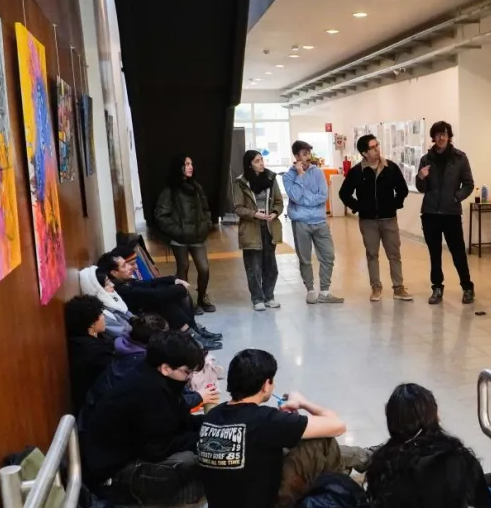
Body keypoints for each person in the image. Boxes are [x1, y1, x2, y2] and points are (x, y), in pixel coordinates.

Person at [197, 349, 351, 508]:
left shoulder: (212, 416)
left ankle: (363, 457)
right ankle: (340, 496)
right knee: (320, 441)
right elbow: (337, 425)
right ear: (265, 385)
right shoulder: (266, 420)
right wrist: (302, 402)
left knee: (290, 439)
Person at [78, 331, 221, 506]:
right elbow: (155, 449)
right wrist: (199, 439)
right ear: (166, 368)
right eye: (186, 371)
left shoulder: (151, 373)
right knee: (190, 460)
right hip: (112, 469)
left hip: (125, 448)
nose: (190, 377)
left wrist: (210, 425)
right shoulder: (150, 391)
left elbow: (176, 417)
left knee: (202, 443)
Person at [97, 249, 222, 351]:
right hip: (137, 319)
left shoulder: (123, 281)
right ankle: (192, 337)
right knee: (164, 302)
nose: (130, 267)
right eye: (124, 265)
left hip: (141, 307)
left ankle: (194, 330)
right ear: (114, 272)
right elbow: (151, 294)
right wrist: (178, 289)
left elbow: (148, 284)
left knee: (170, 291)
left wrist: (173, 280)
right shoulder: (121, 288)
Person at [339, 134, 412, 302]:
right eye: (372, 147)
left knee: (394, 254)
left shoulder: (391, 168)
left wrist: (395, 204)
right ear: (364, 153)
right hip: (368, 221)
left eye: (377, 145)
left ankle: (398, 287)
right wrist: (358, 207)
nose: (377, 149)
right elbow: (344, 193)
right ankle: (376, 287)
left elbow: (403, 189)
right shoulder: (357, 172)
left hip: (389, 219)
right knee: (372, 254)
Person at [416, 121, 475, 305]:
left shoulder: (460, 158)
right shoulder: (426, 159)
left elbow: (469, 183)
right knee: (435, 253)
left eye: (445, 134)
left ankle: (467, 288)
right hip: (430, 213)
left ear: (449, 136)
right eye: (438, 134)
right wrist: (420, 177)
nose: (441, 137)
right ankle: (437, 288)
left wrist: (457, 197)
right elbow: (421, 188)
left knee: (458, 252)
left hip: (451, 213)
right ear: (433, 137)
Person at [282, 140, 344, 304]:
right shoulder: (289, 176)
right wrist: (300, 176)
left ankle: (324, 291)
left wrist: (304, 200)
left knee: (328, 255)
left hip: (319, 220)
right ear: (296, 156)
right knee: (305, 258)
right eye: (303, 154)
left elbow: (323, 195)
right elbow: (294, 196)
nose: (307, 157)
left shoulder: (318, 173)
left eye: (308, 153)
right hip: (300, 222)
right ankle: (310, 289)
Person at [154, 154, 215, 313]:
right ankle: (186, 301)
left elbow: (206, 209)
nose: (190, 167)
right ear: (178, 167)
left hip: (197, 236)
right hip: (179, 238)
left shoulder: (196, 186)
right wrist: (178, 231)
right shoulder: (170, 190)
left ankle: (202, 298)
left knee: (204, 269)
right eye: (187, 164)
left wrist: (206, 224)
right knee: (183, 268)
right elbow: (161, 215)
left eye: (191, 164)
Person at [234, 150, 283, 311]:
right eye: (257, 161)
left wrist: (274, 213)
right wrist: (255, 214)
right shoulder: (241, 182)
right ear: (250, 164)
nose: (262, 163)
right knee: (253, 266)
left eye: (262, 160)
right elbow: (238, 208)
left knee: (270, 265)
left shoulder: (271, 178)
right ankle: (257, 298)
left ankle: (269, 296)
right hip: (251, 227)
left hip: (269, 227)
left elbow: (278, 202)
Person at [64, 295, 116, 413]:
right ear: (92, 323)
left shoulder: (91, 340)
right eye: (101, 314)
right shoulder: (95, 353)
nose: (104, 317)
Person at [78, 265, 133, 339]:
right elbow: (125, 334)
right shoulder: (104, 314)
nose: (112, 285)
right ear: (97, 289)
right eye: (107, 284)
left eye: (109, 281)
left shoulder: (111, 301)